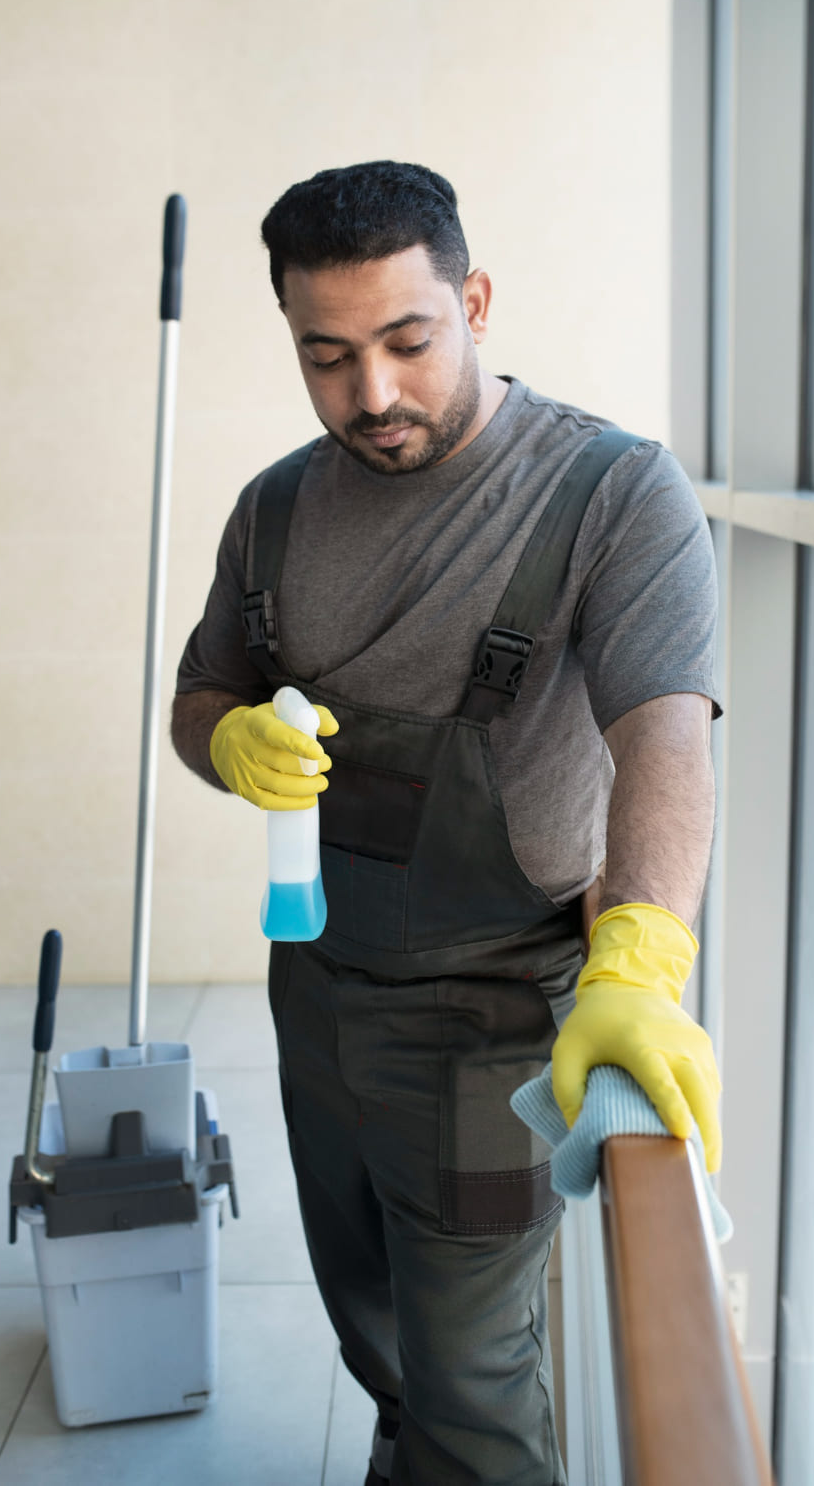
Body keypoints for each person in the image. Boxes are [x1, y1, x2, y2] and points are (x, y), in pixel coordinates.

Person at [171, 160, 722, 1486]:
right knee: (375, 1329)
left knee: (473, 1377)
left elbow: (665, 733)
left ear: (472, 300)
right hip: (316, 989)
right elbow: (202, 698)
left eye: (409, 342)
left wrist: (641, 954)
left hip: (494, 1018)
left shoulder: (612, 496)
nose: (373, 394)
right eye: (329, 357)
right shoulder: (277, 509)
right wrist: (225, 746)